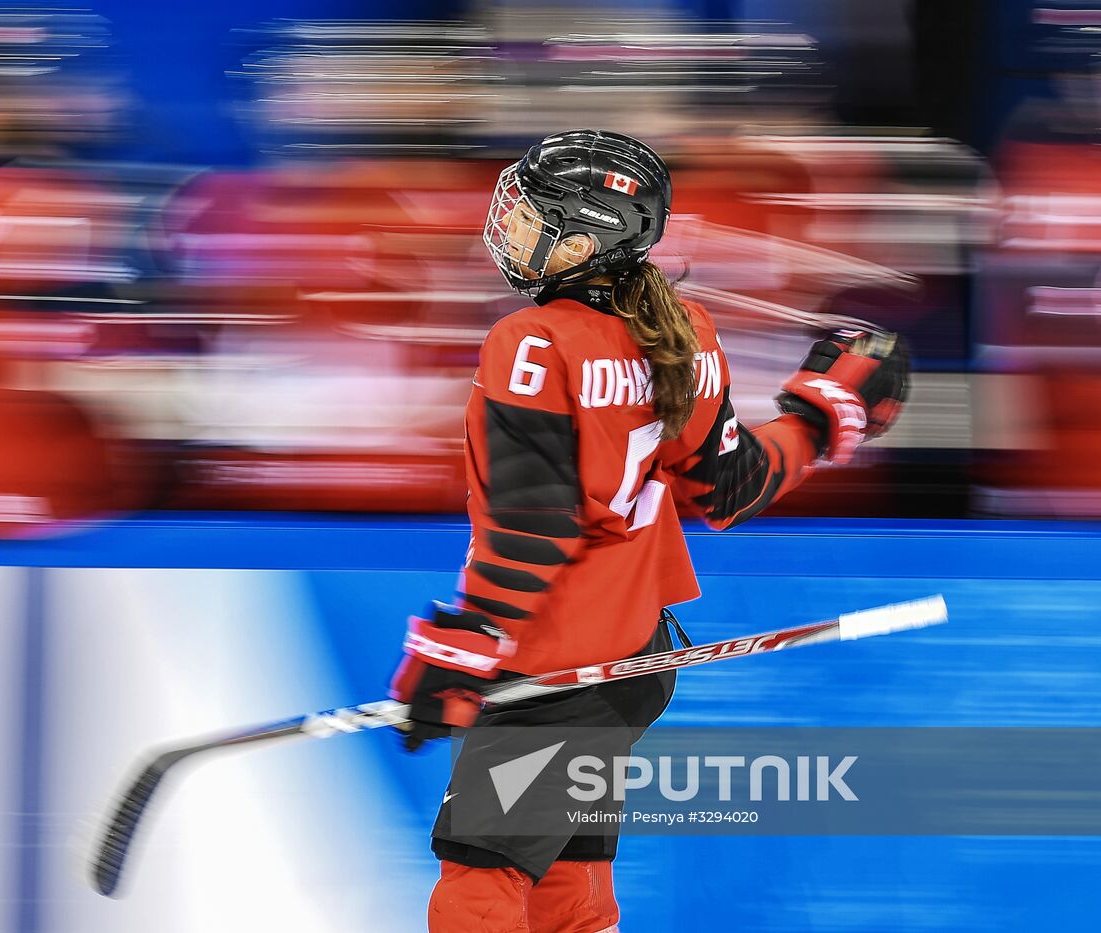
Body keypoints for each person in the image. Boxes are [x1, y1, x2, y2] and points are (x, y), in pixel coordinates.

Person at [387, 129, 909, 932]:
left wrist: (464, 642)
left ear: (585, 240)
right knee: (569, 879)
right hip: (630, 663)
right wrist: (819, 420)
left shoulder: (531, 342)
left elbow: (531, 526)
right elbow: (729, 487)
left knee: (480, 883)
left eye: (533, 215)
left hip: (555, 666)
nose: (510, 225)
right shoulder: (683, 329)